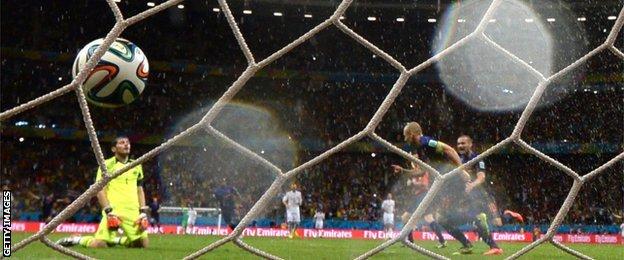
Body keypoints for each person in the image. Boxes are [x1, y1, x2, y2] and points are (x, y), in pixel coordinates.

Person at [391, 122, 471, 252]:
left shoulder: (425, 142)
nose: (405, 138)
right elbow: (422, 171)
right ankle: (467, 242)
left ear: (411, 134)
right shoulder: (420, 148)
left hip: (450, 179)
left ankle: (476, 222)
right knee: (440, 217)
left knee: (442, 216)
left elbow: (449, 149)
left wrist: (461, 170)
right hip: (441, 182)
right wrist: (403, 171)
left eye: (405, 135)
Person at [57, 136, 150, 248]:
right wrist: (108, 211)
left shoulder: (136, 165)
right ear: (113, 149)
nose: (126, 144)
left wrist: (143, 211)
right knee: (99, 244)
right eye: (121, 143)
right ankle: (77, 239)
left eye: (128, 143)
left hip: (133, 211)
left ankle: (115, 241)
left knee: (142, 245)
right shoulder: (106, 165)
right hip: (114, 210)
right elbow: (100, 189)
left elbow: (139, 189)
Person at [454, 135, 503, 255]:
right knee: (443, 219)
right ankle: (471, 244)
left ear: (470, 144)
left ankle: (493, 247)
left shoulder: (477, 158)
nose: (460, 145)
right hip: (463, 198)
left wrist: (472, 185)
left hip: (478, 196)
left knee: (486, 221)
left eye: (463, 143)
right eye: (459, 143)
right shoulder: (458, 159)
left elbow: (481, 178)